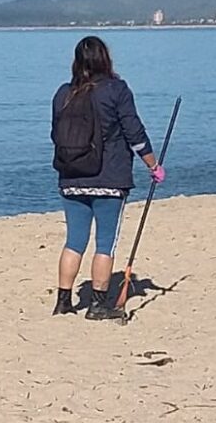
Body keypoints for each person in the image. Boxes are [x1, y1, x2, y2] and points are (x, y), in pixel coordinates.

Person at [50, 36, 165, 320]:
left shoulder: (63, 93)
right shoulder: (116, 90)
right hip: (109, 179)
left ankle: (63, 301)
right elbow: (134, 133)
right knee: (105, 243)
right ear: (105, 59)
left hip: (71, 177)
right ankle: (99, 304)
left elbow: (55, 135)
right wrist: (153, 165)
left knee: (74, 241)